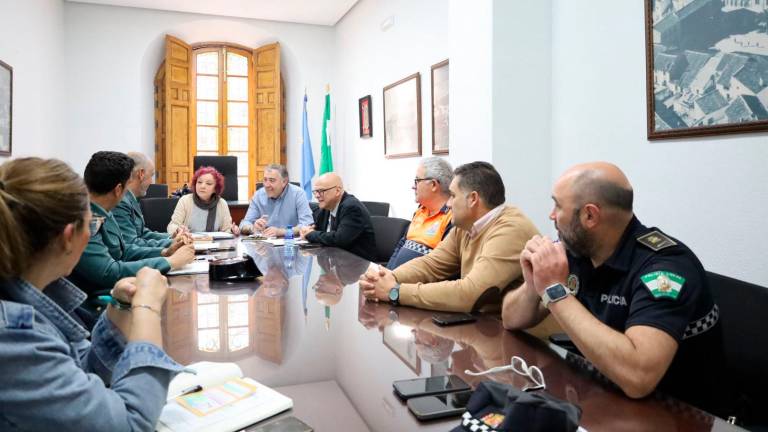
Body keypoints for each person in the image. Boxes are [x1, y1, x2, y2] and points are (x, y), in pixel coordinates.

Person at [501, 162, 726, 415]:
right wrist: (534, 283)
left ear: (590, 216)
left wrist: (555, 290)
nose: (551, 215)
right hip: (603, 396)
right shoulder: (578, 251)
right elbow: (511, 319)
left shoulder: (665, 269)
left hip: (678, 415)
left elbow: (638, 378)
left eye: (558, 206)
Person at [0, 157, 183, 431]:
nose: (93, 232)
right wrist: (148, 310)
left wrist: (119, 308)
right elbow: (131, 425)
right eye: (92, 224)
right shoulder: (14, 336)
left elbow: (77, 373)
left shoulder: (38, 298)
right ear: (68, 236)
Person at [360, 161, 539, 313]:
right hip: (486, 329)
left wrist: (396, 291)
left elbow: (471, 293)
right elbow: (431, 264)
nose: (448, 203)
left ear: (473, 199)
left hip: (530, 344)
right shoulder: (465, 226)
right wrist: (387, 278)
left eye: (453, 195)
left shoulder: (510, 229)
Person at [70, 152, 194, 319]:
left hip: (119, 292)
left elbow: (124, 250)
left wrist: (165, 252)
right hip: (99, 306)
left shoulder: (103, 209)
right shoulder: (85, 219)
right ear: (119, 189)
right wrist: (169, 262)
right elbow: (108, 272)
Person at [387, 157, 454, 269]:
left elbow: (441, 266)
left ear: (433, 185)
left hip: (416, 284)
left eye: (417, 181)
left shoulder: (451, 217)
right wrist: (387, 273)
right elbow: (401, 245)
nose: (413, 186)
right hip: (395, 280)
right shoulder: (420, 210)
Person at [299, 173, 376, 261]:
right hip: (335, 262)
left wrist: (310, 234)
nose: (316, 195)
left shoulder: (352, 207)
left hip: (357, 265)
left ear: (337, 191)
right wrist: (307, 230)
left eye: (321, 191)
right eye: (315, 192)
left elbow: (339, 239)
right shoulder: (326, 207)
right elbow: (317, 230)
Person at [112, 152, 179, 247]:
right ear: (141, 174)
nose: (152, 181)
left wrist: (172, 237)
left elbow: (142, 233)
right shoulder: (121, 202)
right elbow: (131, 243)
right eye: (151, 175)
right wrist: (171, 244)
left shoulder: (131, 198)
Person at [239, 164, 314, 238]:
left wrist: (281, 232)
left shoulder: (298, 194)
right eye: (265, 180)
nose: (267, 185)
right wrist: (253, 227)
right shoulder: (258, 195)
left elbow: (307, 225)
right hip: (265, 245)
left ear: (284, 182)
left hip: (290, 244)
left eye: (272, 180)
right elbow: (244, 223)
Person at [167, 166, 239, 234]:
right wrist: (178, 229)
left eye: (208, 183)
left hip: (213, 245)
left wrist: (233, 230)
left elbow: (226, 230)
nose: (202, 186)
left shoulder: (222, 203)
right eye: (199, 182)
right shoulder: (185, 201)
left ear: (215, 189)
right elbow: (172, 226)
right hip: (189, 244)